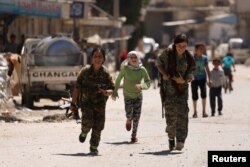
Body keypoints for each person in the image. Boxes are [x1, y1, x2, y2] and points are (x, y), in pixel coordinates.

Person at [69, 48, 114, 155]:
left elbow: (113, 89)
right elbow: (77, 88)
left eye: (100, 57)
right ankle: (84, 131)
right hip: (86, 103)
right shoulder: (84, 72)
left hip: (100, 104)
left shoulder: (106, 74)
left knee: (98, 126)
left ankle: (94, 147)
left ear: (103, 59)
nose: (97, 59)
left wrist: (106, 92)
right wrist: (73, 103)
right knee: (88, 122)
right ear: (92, 58)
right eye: (95, 56)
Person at [156, 34, 195, 151]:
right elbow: (159, 63)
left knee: (183, 115)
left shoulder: (189, 57)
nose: (181, 48)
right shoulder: (168, 53)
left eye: (184, 46)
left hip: (182, 90)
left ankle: (181, 139)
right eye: (179, 46)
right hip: (168, 90)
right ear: (175, 44)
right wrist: (164, 74)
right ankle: (171, 138)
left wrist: (184, 79)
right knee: (171, 115)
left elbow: (192, 72)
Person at [112, 50, 151, 143]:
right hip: (128, 95)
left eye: (135, 57)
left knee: (137, 117)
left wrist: (141, 86)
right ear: (128, 59)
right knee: (129, 114)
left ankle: (134, 136)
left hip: (138, 96)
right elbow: (118, 80)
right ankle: (129, 119)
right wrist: (115, 91)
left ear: (138, 58)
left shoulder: (142, 69)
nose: (133, 59)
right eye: (131, 57)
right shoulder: (125, 69)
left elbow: (148, 82)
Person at [191, 43, 211, 118]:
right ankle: (195, 112)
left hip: (203, 79)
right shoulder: (193, 58)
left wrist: (210, 79)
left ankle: (204, 112)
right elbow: (190, 69)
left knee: (204, 95)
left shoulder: (205, 58)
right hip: (194, 79)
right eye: (200, 49)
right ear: (196, 50)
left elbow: (207, 69)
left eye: (203, 49)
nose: (202, 50)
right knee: (194, 96)